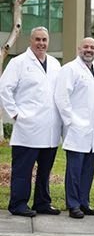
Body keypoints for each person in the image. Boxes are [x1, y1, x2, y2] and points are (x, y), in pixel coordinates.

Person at [0, 26, 62, 217]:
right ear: (30, 40)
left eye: (44, 40)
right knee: (23, 170)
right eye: (38, 39)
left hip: (50, 128)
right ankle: (18, 204)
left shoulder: (54, 64)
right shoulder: (18, 63)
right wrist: (16, 114)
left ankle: (42, 202)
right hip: (27, 127)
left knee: (45, 170)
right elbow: (4, 89)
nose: (41, 43)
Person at [54, 37, 94, 219]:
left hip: (92, 131)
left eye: (92, 47)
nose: (88, 50)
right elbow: (61, 97)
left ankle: (84, 202)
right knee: (74, 170)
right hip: (76, 129)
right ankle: (73, 204)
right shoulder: (70, 69)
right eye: (85, 47)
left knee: (88, 170)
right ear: (78, 49)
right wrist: (71, 122)